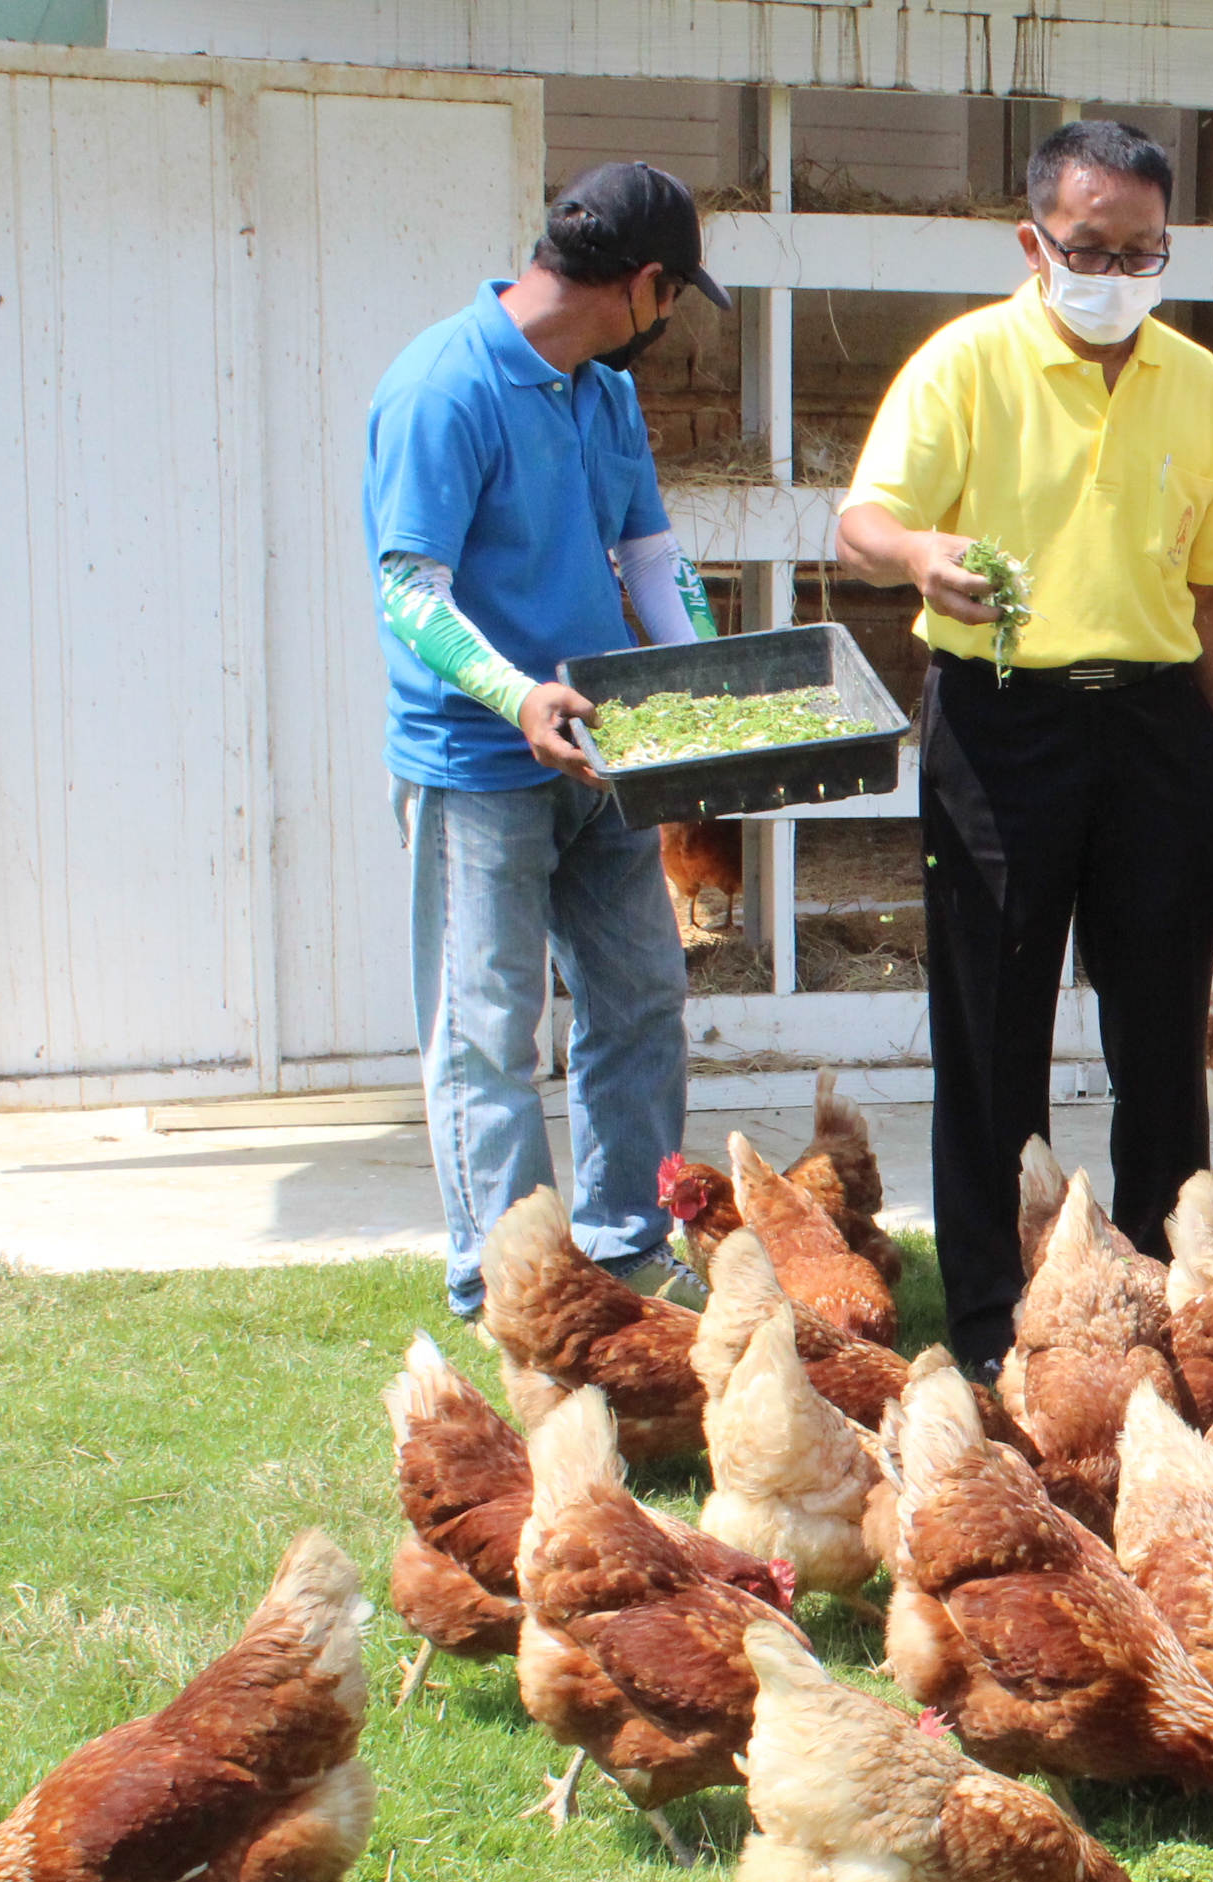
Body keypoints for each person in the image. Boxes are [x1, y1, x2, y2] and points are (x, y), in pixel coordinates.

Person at [837, 119, 1213, 1376]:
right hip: (1000, 720)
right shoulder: (964, 364)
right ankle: (989, 1322)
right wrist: (920, 554)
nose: (1117, 272)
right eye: (1091, 247)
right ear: (1036, 241)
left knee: (1157, 1037)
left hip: (1156, 730)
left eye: (1144, 251)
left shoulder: (1198, 383)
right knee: (990, 1032)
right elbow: (864, 515)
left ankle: (1156, 1297)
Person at [364, 161, 736, 1320]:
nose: (668, 325)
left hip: (605, 756)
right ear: (642, 284)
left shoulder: (600, 392)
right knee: (486, 1033)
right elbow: (410, 592)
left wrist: (702, 689)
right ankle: (514, 1288)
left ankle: (625, 1252)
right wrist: (517, 695)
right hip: (479, 766)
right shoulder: (444, 387)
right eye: (674, 300)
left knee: (638, 1001)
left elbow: (651, 560)